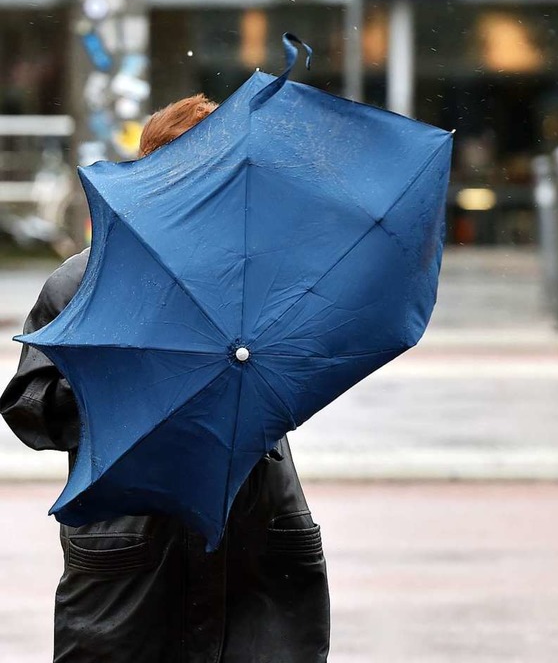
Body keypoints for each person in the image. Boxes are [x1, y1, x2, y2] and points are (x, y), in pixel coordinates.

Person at [0, 94, 330, 663]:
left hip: (258, 539)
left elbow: (314, 372)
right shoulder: (86, 282)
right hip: (130, 551)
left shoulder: (275, 278)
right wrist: (131, 379)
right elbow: (32, 411)